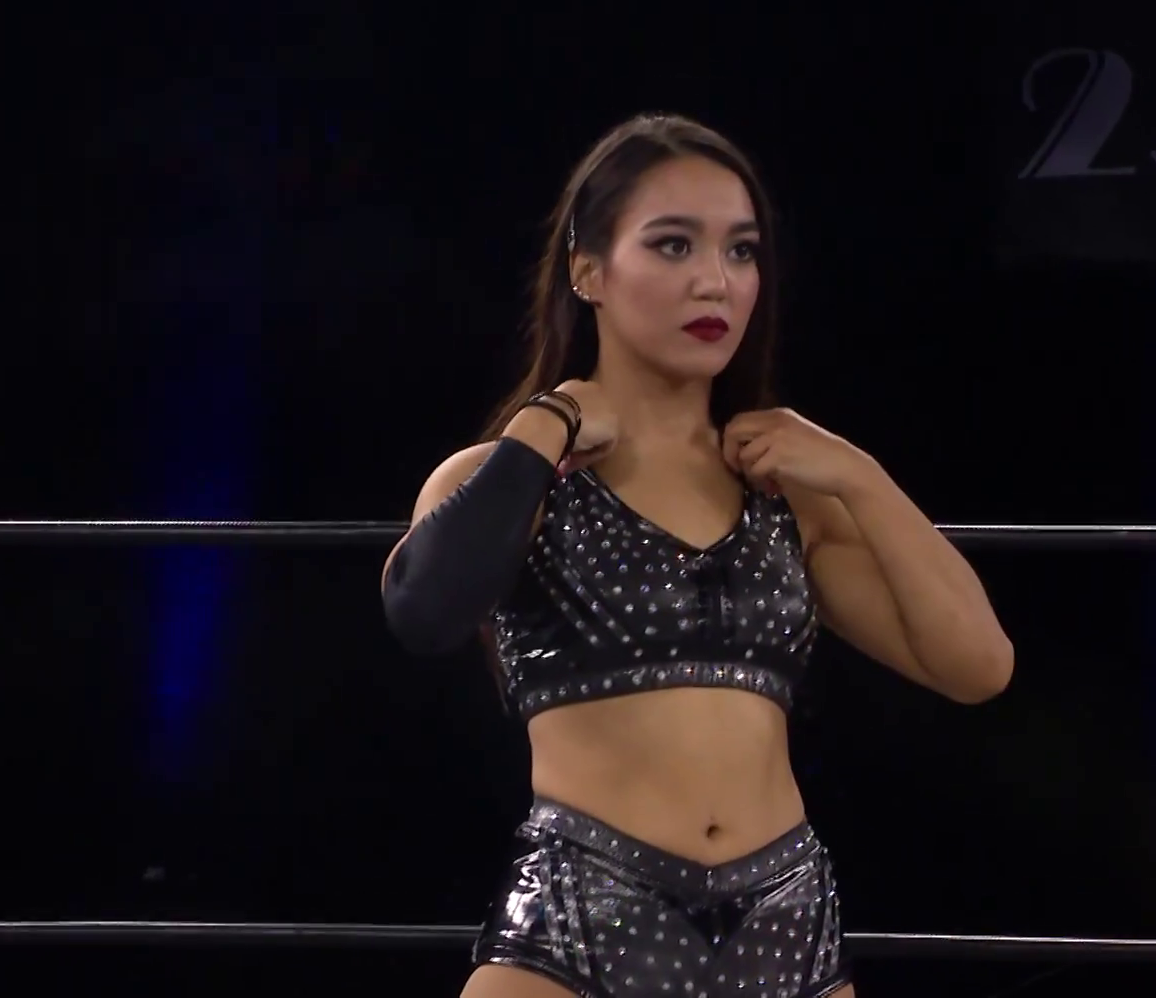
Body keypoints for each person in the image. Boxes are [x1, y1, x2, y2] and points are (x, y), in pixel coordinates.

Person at [380, 113, 1015, 998]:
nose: (715, 281)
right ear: (588, 270)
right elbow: (424, 610)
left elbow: (979, 666)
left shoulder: (786, 491)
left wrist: (857, 475)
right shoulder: (509, 477)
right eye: (673, 245)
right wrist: (548, 421)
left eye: (741, 251)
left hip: (784, 922)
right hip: (584, 917)